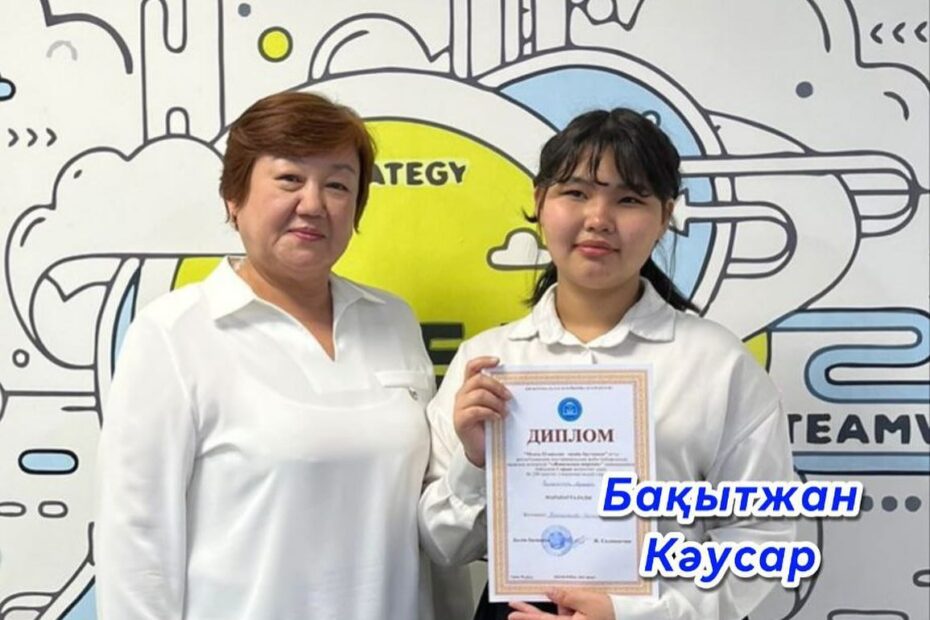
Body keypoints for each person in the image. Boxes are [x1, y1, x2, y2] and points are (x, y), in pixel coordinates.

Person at [95, 91, 470, 619]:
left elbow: (427, 526)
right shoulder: (174, 334)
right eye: (290, 179)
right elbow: (138, 551)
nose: (313, 204)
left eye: (337, 185)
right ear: (234, 196)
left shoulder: (392, 321)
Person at [418, 108, 796, 620]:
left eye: (629, 199)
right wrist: (475, 460)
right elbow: (444, 545)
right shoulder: (490, 363)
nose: (598, 218)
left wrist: (635, 614)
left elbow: (763, 535)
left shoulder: (716, 363)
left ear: (665, 216)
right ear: (539, 202)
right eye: (575, 193)